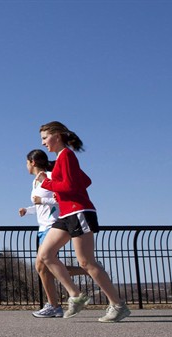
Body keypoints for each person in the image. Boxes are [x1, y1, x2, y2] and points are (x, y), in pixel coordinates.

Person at [35, 121, 130, 322]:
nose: (43, 143)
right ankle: (76, 296)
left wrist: (48, 182)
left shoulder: (67, 155)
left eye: (45, 138)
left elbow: (69, 186)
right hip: (66, 214)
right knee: (45, 255)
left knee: (86, 261)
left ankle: (118, 305)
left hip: (79, 212)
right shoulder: (61, 158)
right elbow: (85, 181)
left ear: (57, 136)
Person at [19, 149, 87, 318]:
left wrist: (42, 200)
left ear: (32, 162)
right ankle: (86, 271)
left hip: (54, 226)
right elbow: (42, 205)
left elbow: (60, 197)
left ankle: (56, 304)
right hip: (43, 227)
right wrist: (27, 210)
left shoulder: (49, 176)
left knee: (42, 264)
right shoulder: (35, 181)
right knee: (44, 268)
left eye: (26, 162)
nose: (25, 166)